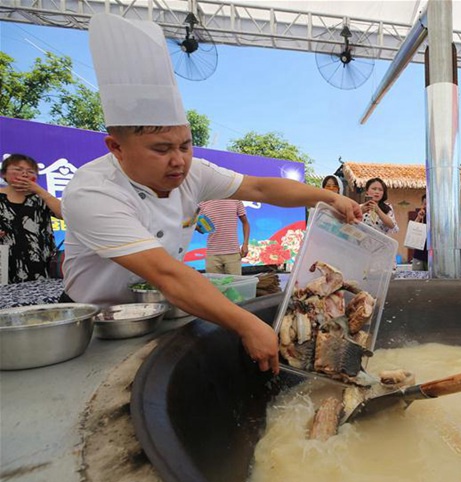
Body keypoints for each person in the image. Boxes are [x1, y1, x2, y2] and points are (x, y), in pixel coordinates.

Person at [61, 13, 361, 375]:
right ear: (117, 147)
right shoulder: (92, 191)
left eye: (186, 145)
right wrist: (247, 323)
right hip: (98, 328)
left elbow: (261, 186)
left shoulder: (193, 172)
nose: (178, 161)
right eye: (161, 149)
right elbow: (167, 274)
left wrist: (327, 197)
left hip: (165, 313)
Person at [0, 154, 62, 283]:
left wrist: (40, 191)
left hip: (39, 263)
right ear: (3, 174)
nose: (24, 174)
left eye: (30, 171)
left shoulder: (40, 199)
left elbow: (65, 214)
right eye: (18, 169)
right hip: (4, 264)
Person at [199, 199, 250, 275]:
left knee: (235, 285)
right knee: (214, 285)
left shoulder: (236, 200)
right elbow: (199, 227)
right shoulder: (203, 202)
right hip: (212, 254)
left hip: (233, 253)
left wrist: (245, 244)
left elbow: (245, 223)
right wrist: (198, 227)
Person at [411, 193, 428, 271]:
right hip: (419, 255)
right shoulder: (420, 217)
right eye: (425, 204)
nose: (427, 206)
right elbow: (412, 231)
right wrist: (418, 218)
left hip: (434, 258)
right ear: (422, 205)